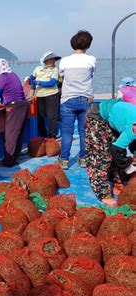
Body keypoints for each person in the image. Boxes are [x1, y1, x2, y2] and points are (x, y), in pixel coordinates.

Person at [85, 99, 136, 207]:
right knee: (100, 157)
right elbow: (117, 149)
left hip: (115, 117)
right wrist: (126, 166)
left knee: (112, 156)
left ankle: (116, 183)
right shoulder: (134, 128)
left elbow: (132, 146)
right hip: (97, 115)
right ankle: (103, 194)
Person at [57, 30, 96, 170]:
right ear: (88, 45)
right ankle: (84, 158)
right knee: (84, 131)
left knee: (67, 132)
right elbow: (91, 74)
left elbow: (61, 76)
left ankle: (64, 160)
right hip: (86, 99)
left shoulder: (65, 61)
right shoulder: (91, 59)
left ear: (72, 44)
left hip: (68, 99)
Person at [0, 58, 29, 167]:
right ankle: (15, 159)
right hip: (23, 105)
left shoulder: (3, 77)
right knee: (18, 133)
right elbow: (7, 93)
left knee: (10, 135)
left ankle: (8, 162)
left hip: (14, 107)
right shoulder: (13, 75)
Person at [29, 51, 61, 139]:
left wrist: (38, 82)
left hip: (52, 94)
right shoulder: (37, 69)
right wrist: (32, 87)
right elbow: (31, 78)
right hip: (39, 95)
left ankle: (52, 135)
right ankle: (42, 135)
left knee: (52, 116)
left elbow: (52, 83)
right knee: (41, 116)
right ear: (45, 61)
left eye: (53, 60)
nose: (52, 62)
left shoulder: (55, 70)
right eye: (50, 60)